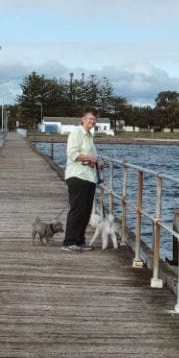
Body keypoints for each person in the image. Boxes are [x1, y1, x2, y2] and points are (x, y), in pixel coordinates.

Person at [62, 108, 103, 252]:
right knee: (77, 210)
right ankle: (69, 242)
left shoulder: (89, 136)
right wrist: (90, 158)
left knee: (86, 212)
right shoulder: (76, 132)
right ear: (83, 119)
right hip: (77, 176)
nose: (92, 121)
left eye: (94, 119)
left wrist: (97, 162)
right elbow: (72, 153)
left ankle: (80, 241)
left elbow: (91, 155)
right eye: (90, 118)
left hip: (89, 177)